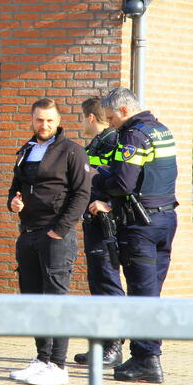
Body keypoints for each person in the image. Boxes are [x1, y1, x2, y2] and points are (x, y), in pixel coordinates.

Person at [90, 87, 177, 384]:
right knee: (151, 292)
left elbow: (123, 184)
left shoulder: (133, 135)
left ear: (124, 111)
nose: (111, 123)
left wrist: (98, 179)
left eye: (112, 117)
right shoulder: (161, 130)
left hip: (142, 227)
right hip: (165, 219)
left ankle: (146, 360)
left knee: (141, 293)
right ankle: (146, 355)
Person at [7, 98, 90, 385]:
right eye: (40, 120)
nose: (44, 125)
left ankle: (59, 365)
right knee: (33, 299)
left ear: (58, 121)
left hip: (55, 235)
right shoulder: (26, 150)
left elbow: (82, 194)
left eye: (50, 120)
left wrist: (60, 230)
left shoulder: (72, 151)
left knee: (55, 300)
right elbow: (15, 187)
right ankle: (42, 359)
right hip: (28, 233)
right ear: (32, 120)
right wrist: (13, 202)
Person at [73, 97, 124, 367]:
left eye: (82, 118)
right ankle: (102, 344)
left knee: (107, 281)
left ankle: (114, 346)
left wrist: (109, 204)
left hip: (106, 224)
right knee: (97, 282)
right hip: (93, 223)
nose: (82, 123)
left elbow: (123, 180)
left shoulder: (112, 140)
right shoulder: (98, 142)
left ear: (90, 117)